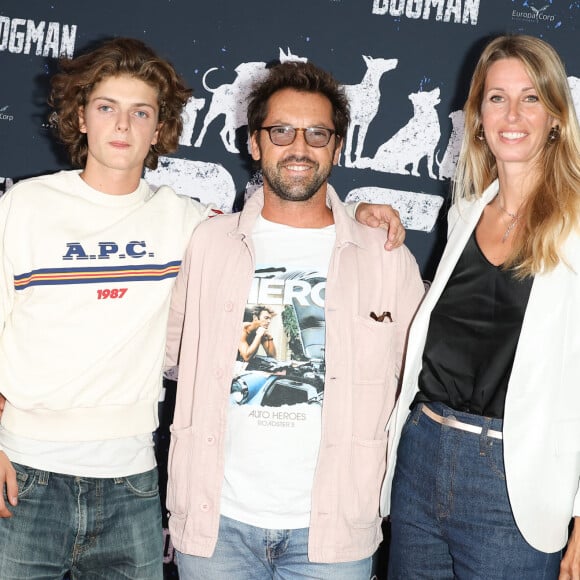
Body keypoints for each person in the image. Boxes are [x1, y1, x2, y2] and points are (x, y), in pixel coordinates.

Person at [0, 37, 405, 577]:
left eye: (140, 112)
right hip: (27, 471)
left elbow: (293, 206)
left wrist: (359, 212)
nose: (122, 126)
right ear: (80, 116)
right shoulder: (27, 207)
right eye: (106, 108)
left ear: (159, 127)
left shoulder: (189, 222)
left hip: (133, 477)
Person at [164, 60, 425, 580]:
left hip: (333, 533)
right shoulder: (209, 243)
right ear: (254, 143)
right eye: (281, 131)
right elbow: (171, 358)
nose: (299, 147)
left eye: (317, 133)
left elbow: (417, 375)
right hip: (217, 526)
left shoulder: (384, 253)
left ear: (337, 146)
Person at [382, 34, 580, 580]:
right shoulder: (466, 212)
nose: (512, 114)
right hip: (422, 458)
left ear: (556, 115)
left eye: (531, 98)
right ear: (477, 115)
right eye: (496, 98)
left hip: (514, 484)